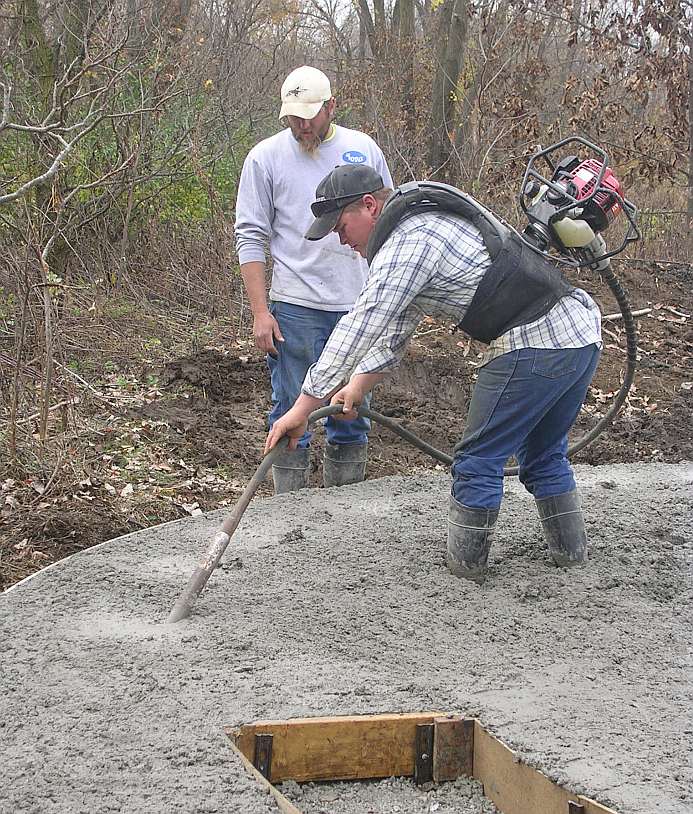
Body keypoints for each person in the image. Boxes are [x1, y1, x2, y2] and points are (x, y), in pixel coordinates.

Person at [264, 164, 603, 583]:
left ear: (369, 206)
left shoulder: (410, 241)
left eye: (340, 224)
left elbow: (362, 323)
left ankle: (464, 577)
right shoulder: (422, 228)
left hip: (534, 343)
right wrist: (357, 385)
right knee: (544, 455)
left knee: (478, 460)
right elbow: (394, 328)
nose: (340, 237)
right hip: (578, 336)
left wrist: (302, 407)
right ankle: (572, 562)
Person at [234, 66, 393, 494]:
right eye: (293, 117)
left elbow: (387, 220)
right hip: (294, 306)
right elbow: (250, 235)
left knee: (350, 411)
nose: (302, 125)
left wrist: (383, 295)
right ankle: (290, 519)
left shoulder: (362, 149)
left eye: (310, 115)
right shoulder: (264, 158)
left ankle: (342, 514)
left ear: (331, 107)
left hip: (357, 303)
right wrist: (261, 312)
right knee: (291, 410)